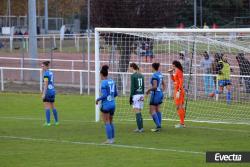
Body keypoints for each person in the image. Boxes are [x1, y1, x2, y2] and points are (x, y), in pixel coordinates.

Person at [96, 65, 118, 144]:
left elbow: (104, 95)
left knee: (106, 121)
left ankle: (109, 140)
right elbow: (116, 93)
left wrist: (98, 99)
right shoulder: (112, 81)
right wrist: (111, 97)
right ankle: (112, 139)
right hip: (113, 104)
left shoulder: (103, 83)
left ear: (101, 74)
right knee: (111, 121)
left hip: (106, 105)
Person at [146, 63, 166, 132]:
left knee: (152, 110)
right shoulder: (160, 74)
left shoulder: (154, 75)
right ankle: (159, 125)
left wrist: (148, 90)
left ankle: (158, 126)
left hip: (155, 94)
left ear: (153, 67)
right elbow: (164, 84)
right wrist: (162, 91)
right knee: (157, 109)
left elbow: (154, 86)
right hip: (160, 93)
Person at [168, 60, 186, 128]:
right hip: (177, 90)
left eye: (172, 65)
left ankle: (182, 123)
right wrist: (171, 74)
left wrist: (179, 90)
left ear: (175, 65)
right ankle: (182, 122)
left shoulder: (179, 71)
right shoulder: (176, 71)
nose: (172, 66)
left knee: (179, 106)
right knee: (179, 106)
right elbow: (174, 80)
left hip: (179, 91)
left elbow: (181, 81)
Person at [41, 61, 59, 126]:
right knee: (53, 106)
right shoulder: (51, 72)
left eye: (43, 66)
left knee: (47, 107)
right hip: (52, 91)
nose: (42, 67)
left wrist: (43, 93)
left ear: (46, 66)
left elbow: (46, 84)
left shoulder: (45, 74)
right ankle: (57, 122)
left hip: (48, 91)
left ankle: (48, 123)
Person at [129, 63, 144, 132]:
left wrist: (130, 97)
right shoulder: (141, 75)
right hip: (141, 94)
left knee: (137, 111)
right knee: (139, 111)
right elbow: (143, 86)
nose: (129, 69)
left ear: (132, 67)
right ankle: (141, 127)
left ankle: (139, 128)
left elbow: (132, 87)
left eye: (130, 67)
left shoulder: (133, 76)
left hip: (136, 95)